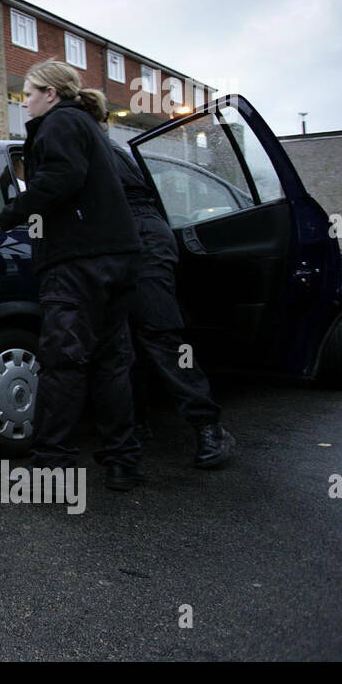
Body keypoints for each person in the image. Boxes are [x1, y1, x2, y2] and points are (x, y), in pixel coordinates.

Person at [0, 60, 144, 490]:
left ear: (50, 95)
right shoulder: (90, 128)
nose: (25, 104)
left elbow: (61, 178)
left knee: (63, 362)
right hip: (117, 257)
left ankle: (49, 466)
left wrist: (8, 216)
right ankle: (122, 462)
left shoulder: (58, 124)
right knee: (112, 361)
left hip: (77, 262)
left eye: (29, 95)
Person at [101, 129, 236, 469]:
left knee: (159, 335)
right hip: (118, 239)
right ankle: (137, 422)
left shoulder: (90, 144)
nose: (27, 103)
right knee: (124, 339)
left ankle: (208, 427)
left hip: (139, 236)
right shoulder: (90, 144)